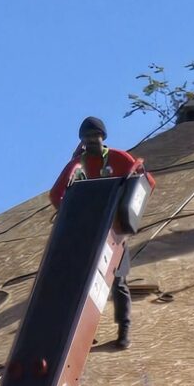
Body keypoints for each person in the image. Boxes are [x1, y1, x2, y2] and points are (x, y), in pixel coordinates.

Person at [48, 117, 152, 348]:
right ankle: (83, 332)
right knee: (83, 281)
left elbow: (146, 183)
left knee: (118, 280)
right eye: (86, 138)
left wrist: (128, 212)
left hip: (114, 230)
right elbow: (56, 195)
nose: (91, 142)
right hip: (89, 230)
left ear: (103, 137)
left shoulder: (118, 158)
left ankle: (124, 329)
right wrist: (71, 215)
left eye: (95, 137)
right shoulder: (78, 164)